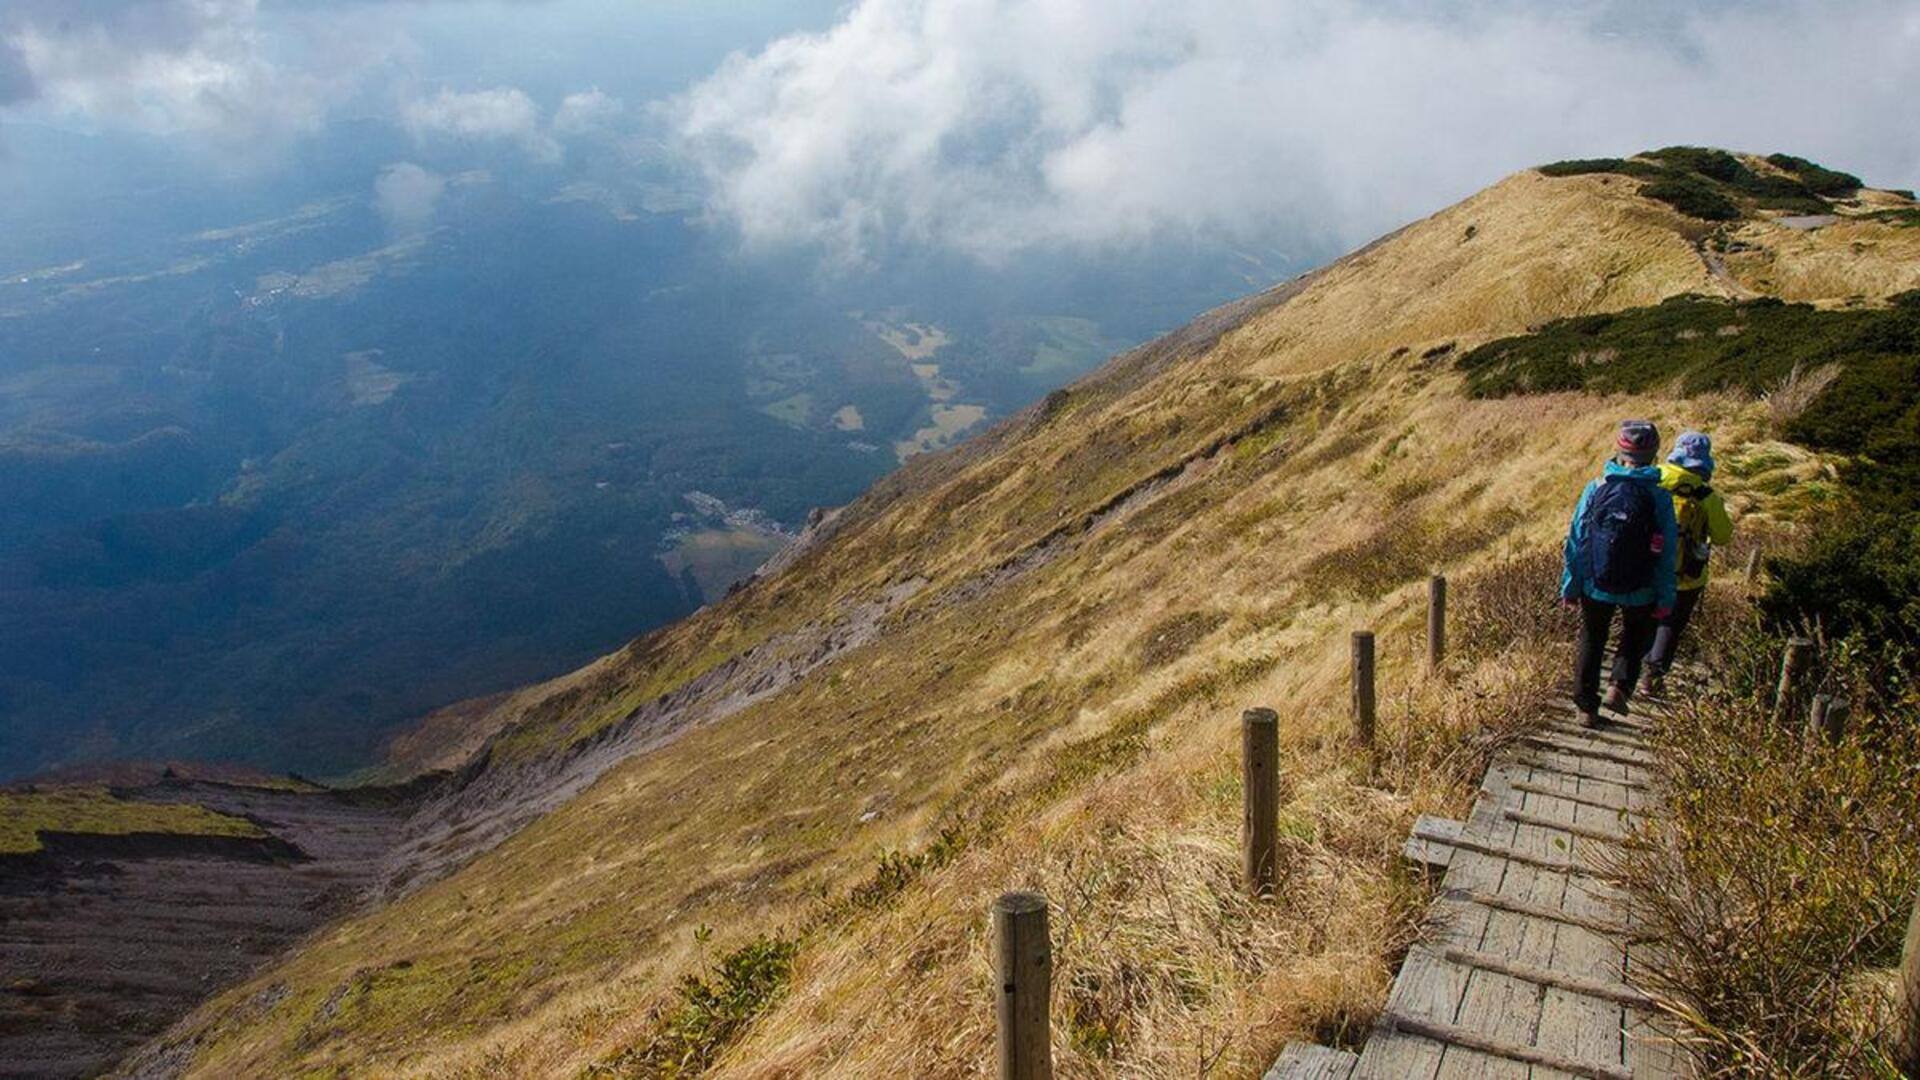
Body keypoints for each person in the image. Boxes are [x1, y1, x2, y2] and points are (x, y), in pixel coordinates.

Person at [1560, 420, 1678, 725]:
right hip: (1642, 586)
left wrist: (1571, 586)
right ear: (1654, 454)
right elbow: (1667, 554)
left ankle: (1586, 707)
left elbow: (1575, 540)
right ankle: (1619, 687)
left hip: (1595, 583)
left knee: (1592, 637)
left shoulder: (1597, 487)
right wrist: (1666, 597)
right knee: (1635, 634)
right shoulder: (1660, 498)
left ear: (1618, 449)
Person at [1640, 431, 1733, 694]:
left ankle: (1627, 675)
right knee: (1670, 625)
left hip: (1648, 567)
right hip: (1687, 574)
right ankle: (1653, 678)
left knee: (1644, 617)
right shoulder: (1705, 496)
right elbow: (1724, 536)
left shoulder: (1653, 480)